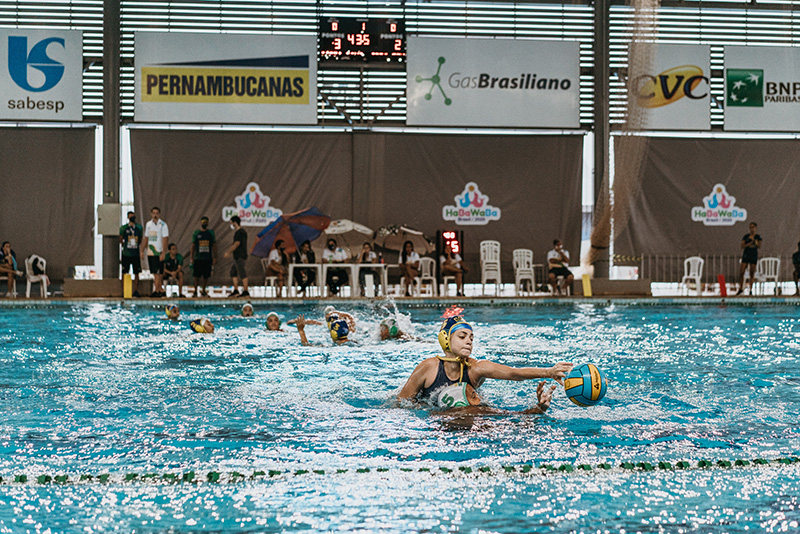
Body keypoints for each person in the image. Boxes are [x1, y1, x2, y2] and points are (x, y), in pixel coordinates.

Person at [397, 315, 572, 406]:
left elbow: (512, 373)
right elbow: (401, 401)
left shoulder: (475, 369)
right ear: (445, 340)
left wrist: (549, 372)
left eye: (471, 338)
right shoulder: (429, 368)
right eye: (462, 336)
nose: (469, 341)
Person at [141, 207, 169, 298]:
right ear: (151, 214)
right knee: (154, 272)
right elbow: (146, 238)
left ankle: (158, 289)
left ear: (159, 214)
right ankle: (159, 289)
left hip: (159, 251)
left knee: (159, 272)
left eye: (157, 213)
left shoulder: (163, 225)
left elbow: (165, 239)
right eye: (153, 213)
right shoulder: (148, 224)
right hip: (151, 251)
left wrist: (164, 252)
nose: (155, 215)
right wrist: (142, 250)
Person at [223, 215, 250, 298]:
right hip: (237, 256)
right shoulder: (240, 232)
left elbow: (237, 244)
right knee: (233, 272)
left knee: (242, 272)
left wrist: (228, 252)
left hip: (240, 255)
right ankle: (236, 290)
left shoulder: (240, 232)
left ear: (235, 222)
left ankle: (245, 291)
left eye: (231, 223)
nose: (231, 224)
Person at [119, 211, 143, 297]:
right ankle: (124, 290)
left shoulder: (139, 227)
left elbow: (140, 239)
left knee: (136, 272)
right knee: (125, 272)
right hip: (126, 254)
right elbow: (120, 239)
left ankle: (136, 290)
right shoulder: (124, 228)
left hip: (135, 254)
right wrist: (125, 245)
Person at [191, 216, 217, 297]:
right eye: (203, 222)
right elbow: (193, 245)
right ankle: (195, 291)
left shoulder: (210, 233)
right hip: (198, 257)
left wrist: (215, 257)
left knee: (206, 275)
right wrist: (191, 257)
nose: (204, 224)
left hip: (207, 257)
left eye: (206, 222)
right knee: (196, 275)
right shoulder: (196, 233)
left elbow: (214, 245)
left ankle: (203, 290)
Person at [736, 222, 762, 296]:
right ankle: (741, 288)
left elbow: (759, 246)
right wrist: (750, 242)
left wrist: (755, 241)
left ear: (756, 228)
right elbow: (742, 245)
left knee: (752, 273)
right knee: (741, 272)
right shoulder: (746, 236)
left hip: (753, 255)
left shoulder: (758, 237)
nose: (752, 229)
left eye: (753, 227)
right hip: (746, 255)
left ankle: (750, 289)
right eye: (750, 227)